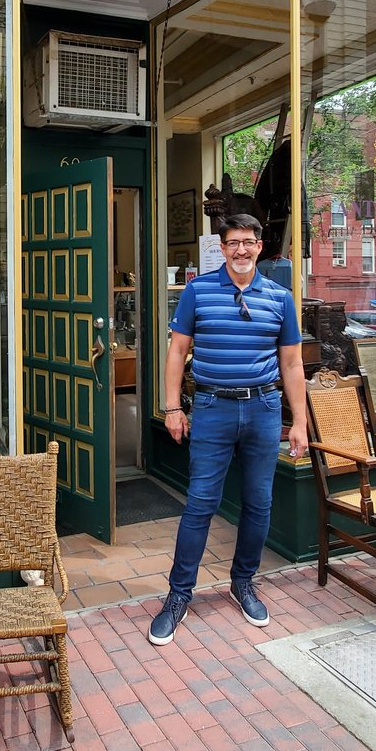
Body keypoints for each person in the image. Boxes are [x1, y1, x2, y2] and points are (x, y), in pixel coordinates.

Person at [148, 212, 308, 645]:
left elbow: (292, 364)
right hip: (213, 407)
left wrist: (300, 422)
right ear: (222, 248)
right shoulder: (198, 291)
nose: (241, 250)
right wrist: (172, 408)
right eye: (233, 242)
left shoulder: (279, 297)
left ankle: (244, 583)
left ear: (260, 246)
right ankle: (178, 596)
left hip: (264, 409)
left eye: (248, 242)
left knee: (259, 503)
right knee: (200, 504)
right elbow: (177, 351)